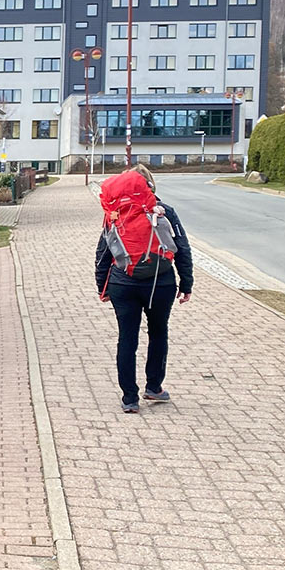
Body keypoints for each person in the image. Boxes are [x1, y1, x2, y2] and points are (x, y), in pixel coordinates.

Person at [95, 165, 193, 413]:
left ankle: (129, 398)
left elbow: (103, 252)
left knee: (127, 338)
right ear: (150, 185)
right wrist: (187, 283)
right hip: (161, 283)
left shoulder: (115, 213)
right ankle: (154, 387)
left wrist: (102, 286)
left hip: (122, 282)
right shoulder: (165, 211)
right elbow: (182, 247)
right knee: (158, 332)